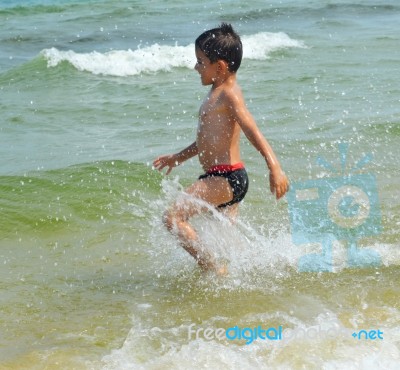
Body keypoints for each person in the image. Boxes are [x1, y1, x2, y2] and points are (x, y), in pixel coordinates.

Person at [153, 23, 289, 274]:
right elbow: (206, 142)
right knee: (225, 241)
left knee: (172, 218)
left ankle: (212, 268)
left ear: (220, 66)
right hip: (226, 178)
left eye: (200, 61)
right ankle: (257, 268)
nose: (196, 67)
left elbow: (253, 130)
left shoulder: (230, 94)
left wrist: (275, 167)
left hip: (226, 176)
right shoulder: (217, 93)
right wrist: (177, 158)